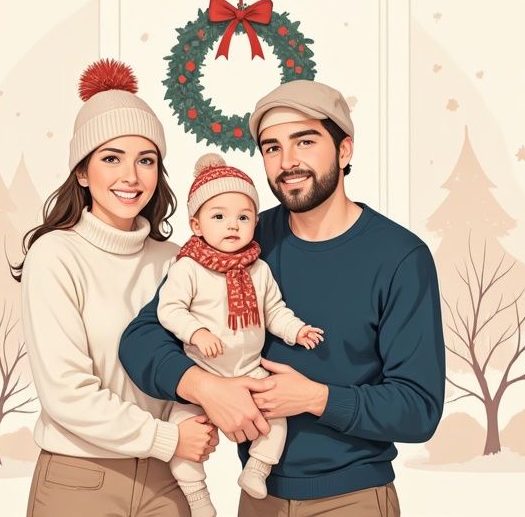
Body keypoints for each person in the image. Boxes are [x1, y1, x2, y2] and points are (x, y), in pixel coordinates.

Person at [119, 79, 445, 516]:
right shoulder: (242, 237)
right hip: (259, 500)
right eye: (272, 148)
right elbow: (141, 337)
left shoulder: (400, 258)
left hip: (354, 500)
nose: (287, 162)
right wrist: (208, 387)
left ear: (344, 151)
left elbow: (418, 408)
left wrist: (316, 398)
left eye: (304, 141)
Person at [13, 59, 218, 517]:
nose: (131, 176)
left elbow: (203, 363)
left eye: (145, 160)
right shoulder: (56, 255)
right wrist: (168, 438)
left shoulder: (178, 260)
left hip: (170, 479)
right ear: (82, 173)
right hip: (79, 480)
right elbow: (66, 392)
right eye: (111, 158)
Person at [158, 153, 325, 517]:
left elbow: (274, 311)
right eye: (219, 216)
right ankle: (197, 496)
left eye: (244, 217)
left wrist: (296, 330)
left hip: (249, 371)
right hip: (202, 371)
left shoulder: (259, 269)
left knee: (275, 420)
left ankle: (257, 468)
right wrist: (196, 331)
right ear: (196, 224)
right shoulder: (188, 267)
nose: (232, 225)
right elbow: (168, 309)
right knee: (180, 435)